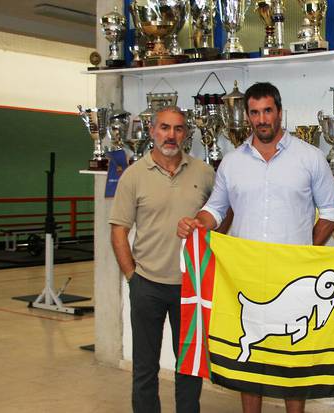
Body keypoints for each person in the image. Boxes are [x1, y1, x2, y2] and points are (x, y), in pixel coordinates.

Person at [176, 82, 334, 413]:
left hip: (293, 275)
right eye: (254, 112)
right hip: (245, 274)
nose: (261, 119)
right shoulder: (232, 162)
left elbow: (332, 212)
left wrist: (306, 250)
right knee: (250, 356)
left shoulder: (310, 158)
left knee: (290, 360)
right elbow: (216, 210)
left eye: (267, 111)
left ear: (279, 112)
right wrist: (197, 222)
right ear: (247, 116)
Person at [110, 106, 214, 413]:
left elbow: (222, 212)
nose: (171, 135)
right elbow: (119, 231)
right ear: (153, 131)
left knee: (189, 368)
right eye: (165, 128)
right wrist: (133, 277)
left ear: (186, 134)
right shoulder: (133, 176)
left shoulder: (204, 173)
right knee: (144, 368)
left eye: (178, 129)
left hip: (190, 288)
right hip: (148, 286)